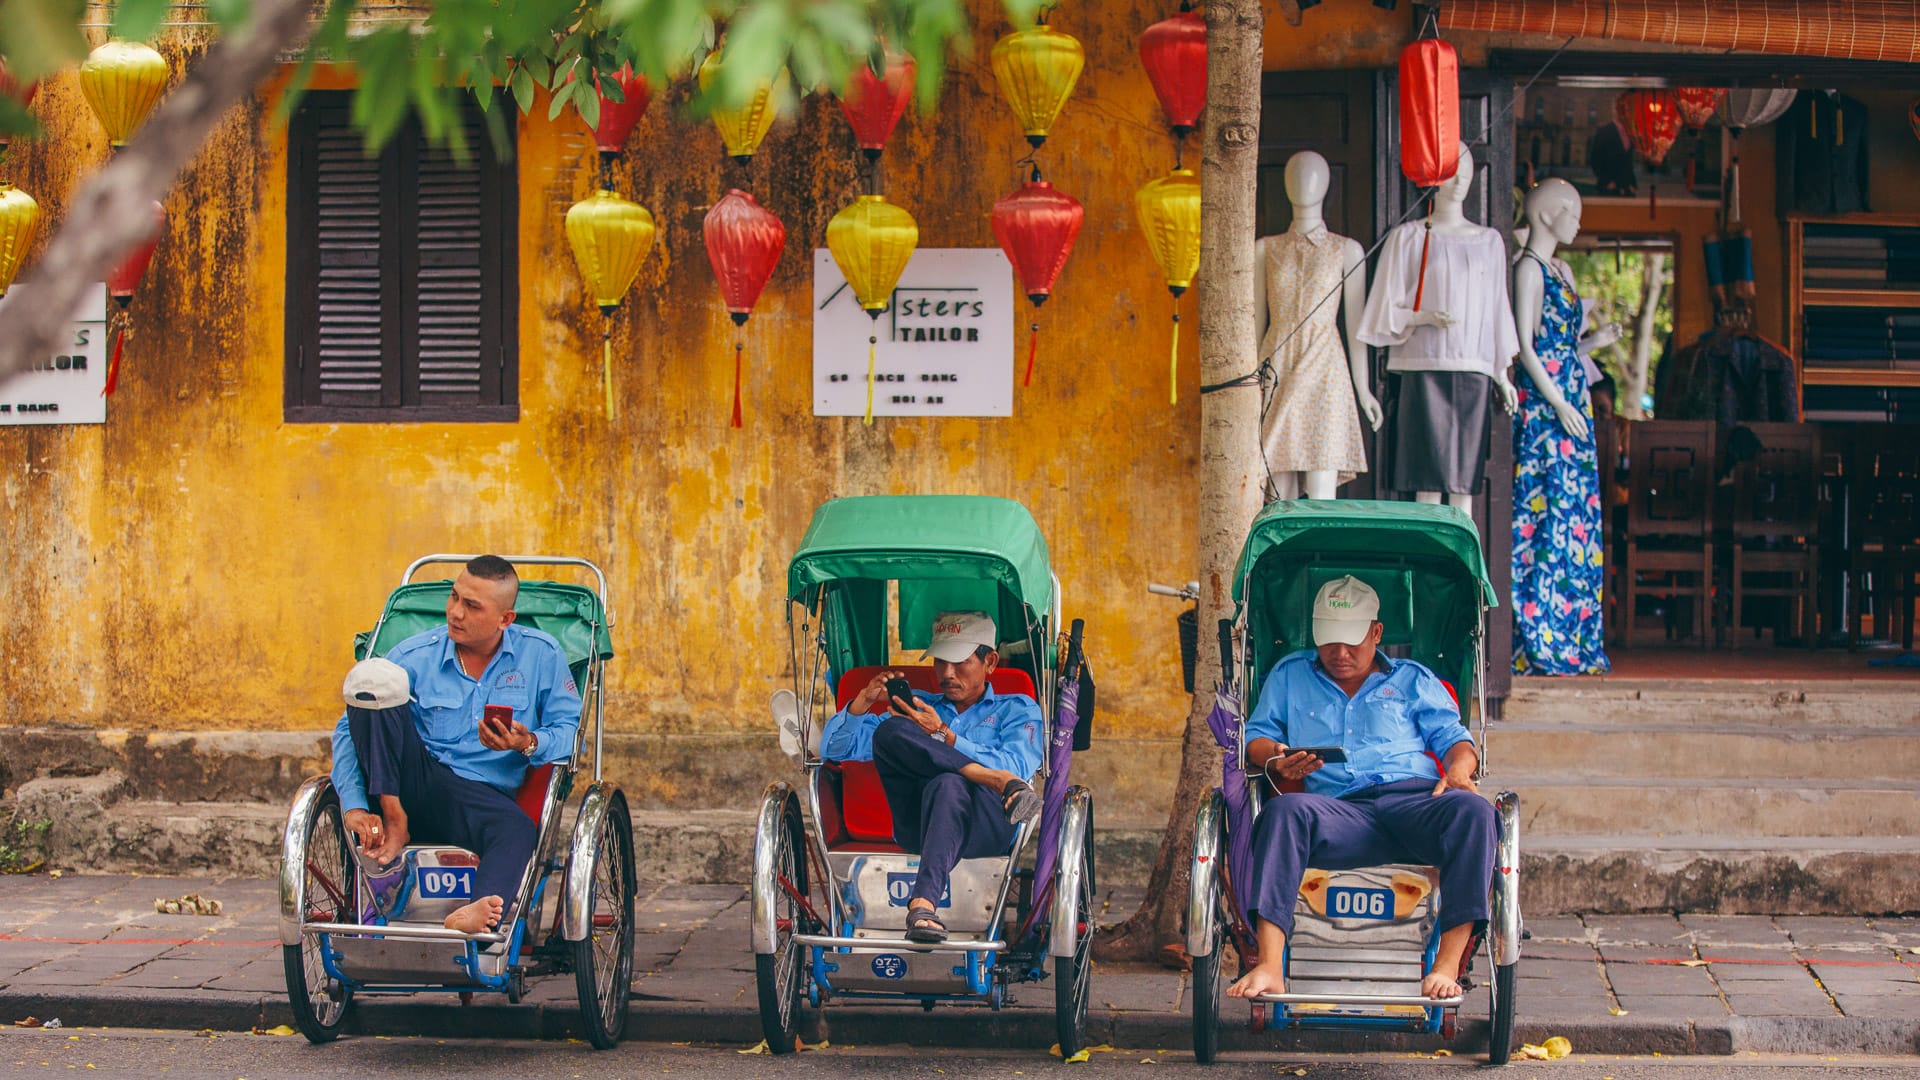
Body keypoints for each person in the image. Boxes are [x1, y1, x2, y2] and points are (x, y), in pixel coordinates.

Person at [1226, 576, 1494, 1002]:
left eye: (1351, 640)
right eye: (1329, 640)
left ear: (1376, 632)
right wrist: (1278, 756)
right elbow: (1254, 739)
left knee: (1475, 813)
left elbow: (1454, 739)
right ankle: (1270, 966)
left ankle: (1447, 967)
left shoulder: (1412, 680)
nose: (1340, 653)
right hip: (1338, 811)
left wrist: (1461, 770)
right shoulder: (1290, 675)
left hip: (1413, 803)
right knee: (1282, 813)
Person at [331, 555, 582, 934]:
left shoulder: (541, 655)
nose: (455, 613)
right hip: (410, 782)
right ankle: (396, 817)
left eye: (471, 606)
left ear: (505, 619)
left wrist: (527, 741)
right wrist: (352, 805)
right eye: (454, 597)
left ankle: (474, 914)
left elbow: (568, 730)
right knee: (373, 681)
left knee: (516, 829)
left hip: (481, 796)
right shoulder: (415, 655)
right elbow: (352, 730)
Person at [819, 611, 1043, 944]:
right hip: (920, 824)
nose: (947, 674)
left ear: (990, 661)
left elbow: (1017, 766)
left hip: (989, 823)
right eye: (941, 662)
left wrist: (944, 735)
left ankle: (923, 902)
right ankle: (991, 779)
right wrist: (863, 702)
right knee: (892, 730)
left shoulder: (1017, 709)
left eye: (960, 662)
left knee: (949, 783)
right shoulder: (921, 709)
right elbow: (835, 750)